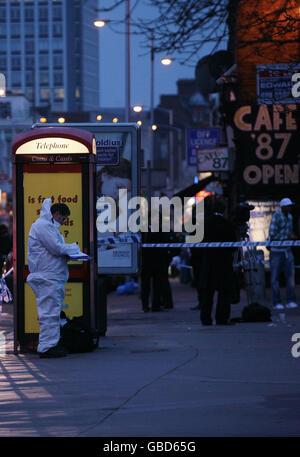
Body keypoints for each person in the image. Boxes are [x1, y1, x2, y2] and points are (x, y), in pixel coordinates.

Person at [27, 198, 81, 358]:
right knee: (49, 313)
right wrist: (74, 247)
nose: (63, 222)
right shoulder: (43, 227)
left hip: (50, 276)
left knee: (51, 312)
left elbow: (54, 251)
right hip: (48, 277)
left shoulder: (46, 226)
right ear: (56, 214)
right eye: (63, 218)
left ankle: (50, 344)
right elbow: (56, 248)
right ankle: (47, 347)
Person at [199, 199, 237, 326]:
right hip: (224, 263)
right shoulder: (227, 224)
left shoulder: (205, 223)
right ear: (223, 210)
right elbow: (233, 245)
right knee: (224, 293)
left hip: (209, 263)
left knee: (208, 293)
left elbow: (198, 242)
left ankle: (205, 318)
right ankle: (222, 318)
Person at [268, 197, 298, 310]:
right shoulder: (277, 216)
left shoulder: (290, 217)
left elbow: (288, 232)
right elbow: (273, 234)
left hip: (287, 250)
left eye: (290, 206)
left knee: (290, 277)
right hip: (276, 251)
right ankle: (276, 302)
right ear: (283, 207)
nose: (290, 208)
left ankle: (290, 300)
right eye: (288, 206)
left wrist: (290, 236)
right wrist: (287, 237)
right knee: (275, 278)